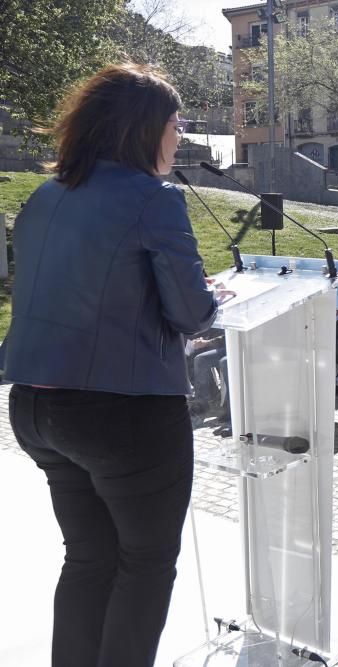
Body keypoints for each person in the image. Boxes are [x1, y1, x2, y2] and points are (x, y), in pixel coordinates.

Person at [1, 63, 219, 667]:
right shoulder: (155, 198)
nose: (181, 139)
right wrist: (208, 299)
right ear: (147, 129)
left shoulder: (45, 197)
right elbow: (192, 313)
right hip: (121, 413)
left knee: (88, 559)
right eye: (177, 126)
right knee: (145, 566)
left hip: (37, 408)